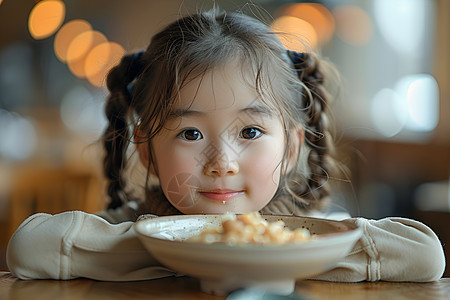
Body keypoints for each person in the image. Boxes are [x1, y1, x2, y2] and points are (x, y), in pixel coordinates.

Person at [7, 8, 445, 283]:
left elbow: (425, 256)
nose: (221, 163)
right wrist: (176, 248)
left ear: (290, 149)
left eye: (250, 132)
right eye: (190, 134)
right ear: (146, 151)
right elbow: (30, 248)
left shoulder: (305, 236)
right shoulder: (131, 227)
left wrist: (282, 253)